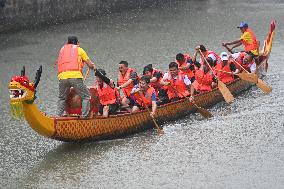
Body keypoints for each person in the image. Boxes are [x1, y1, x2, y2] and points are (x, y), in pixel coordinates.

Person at [56, 36, 96, 118]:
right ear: (77, 43)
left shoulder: (62, 50)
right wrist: (92, 66)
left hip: (62, 77)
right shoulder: (79, 49)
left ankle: (58, 117)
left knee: (62, 98)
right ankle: (84, 116)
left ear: (68, 42)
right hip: (75, 76)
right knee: (86, 96)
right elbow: (89, 64)